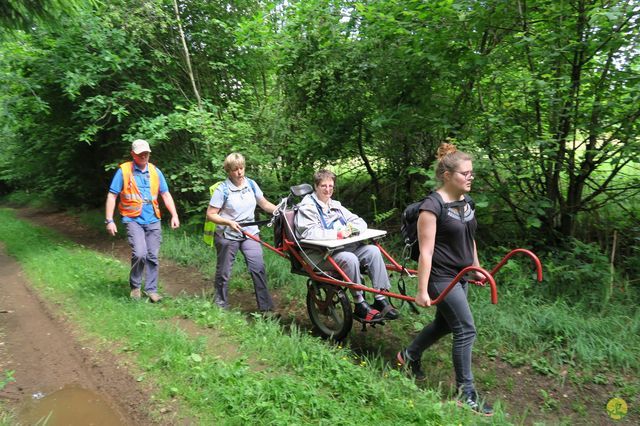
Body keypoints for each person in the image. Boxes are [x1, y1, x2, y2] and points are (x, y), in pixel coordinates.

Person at [396, 142, 493, 416]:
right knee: (466, 328)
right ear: (447, 175)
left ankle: (408, 355)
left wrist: (476, 268)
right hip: (441, 277)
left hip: (461, 275)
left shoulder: (466, 202)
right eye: (465, 173)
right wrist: (422, 290)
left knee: (445, 323)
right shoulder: (432, 206)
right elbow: (425, 253)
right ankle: (466, 394)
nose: (470, 177)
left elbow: (469, 239)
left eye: (472, 172)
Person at [295, 169, 400, 322]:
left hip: (339, 248)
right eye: (324, 186)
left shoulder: (335, 205)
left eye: (331, 186)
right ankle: (359, 303)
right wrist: (337, 233)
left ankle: (380, 297)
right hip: (318, 254)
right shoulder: (307, 207)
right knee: (349, 259)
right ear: (316, 186)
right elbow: (308, 233)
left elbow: (359, 222)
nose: (328, 189)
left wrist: (352, 229)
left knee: (373, 251)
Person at [105, 139, 180, 303]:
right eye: (140, 154)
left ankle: (151, 289)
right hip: (132, 219)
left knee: (153, 255)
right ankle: (135, 286)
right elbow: (112, 195)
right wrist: (109, 220)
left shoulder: (155, 171)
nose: (144, 156)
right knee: (140, 253)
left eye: (146, 153)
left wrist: (174, 215)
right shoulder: (124, 171)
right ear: (133, 154)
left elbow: (165, 194)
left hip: (153, 218)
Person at [205, 153, 277, 313]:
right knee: (224, 272)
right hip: (227, 235)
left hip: (250, 233)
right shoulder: (222, 189)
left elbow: (264, 203)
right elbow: (211, 214)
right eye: (235, 169)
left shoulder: (251, 184)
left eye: (241, 168)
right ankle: (220, 304)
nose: (239, 172)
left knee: (258, 268)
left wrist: (280, 211)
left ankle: (266, 309)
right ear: (228, 171)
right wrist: (229, 222)